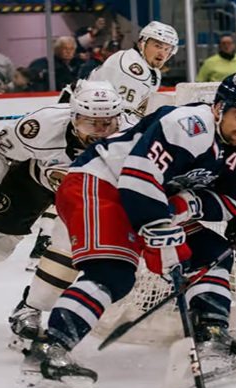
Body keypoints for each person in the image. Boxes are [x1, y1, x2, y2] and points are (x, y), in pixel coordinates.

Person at [16, 73, 236, 388]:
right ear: (219, 108)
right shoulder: (188, 123)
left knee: (210, 252)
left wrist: (185, 208)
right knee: (113, 272)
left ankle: (211, 339)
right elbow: (138, 178)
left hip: (153, 197)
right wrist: (162, 237)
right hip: (100, 182)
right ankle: (47, 352)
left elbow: (231, 201)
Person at [0, 80, 123, 294]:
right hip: (37, 179)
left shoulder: (135, 134)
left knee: (72, 253)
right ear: (73, 117)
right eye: (90, 123)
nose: (99, 133)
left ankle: (32, 307)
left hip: (93, 197)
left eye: (107, 123)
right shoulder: (42, 126)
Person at [23, 21, 179, 272]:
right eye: (157, 45)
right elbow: (123, 116)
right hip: (82, 123)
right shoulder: (132, 67)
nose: (162, 52)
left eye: (168, 48)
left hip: (95, 122)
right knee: (71, 179)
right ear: (142, 43)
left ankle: (49, 242)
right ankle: (45, 243)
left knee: (76, 180)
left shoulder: (150, 70)